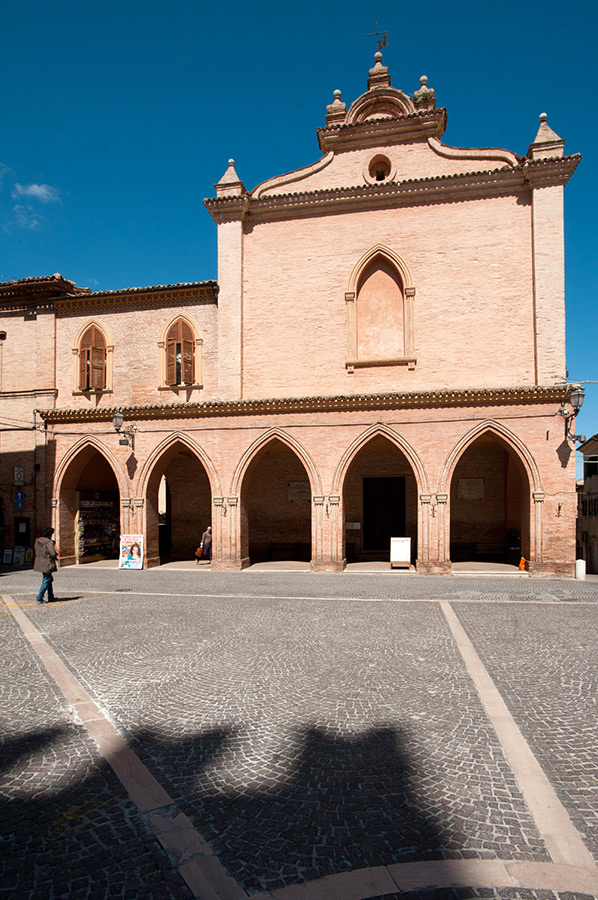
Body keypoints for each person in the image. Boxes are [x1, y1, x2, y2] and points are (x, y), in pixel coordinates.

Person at [34, 527, 58, 604]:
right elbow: (53, 553)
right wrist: (56, 555)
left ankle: (50, 596)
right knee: (46, 580)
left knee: (49, 579)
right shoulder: (49, 542)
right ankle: (39, 598)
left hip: (40, 562)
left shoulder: (38, 541)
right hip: (47, 563)